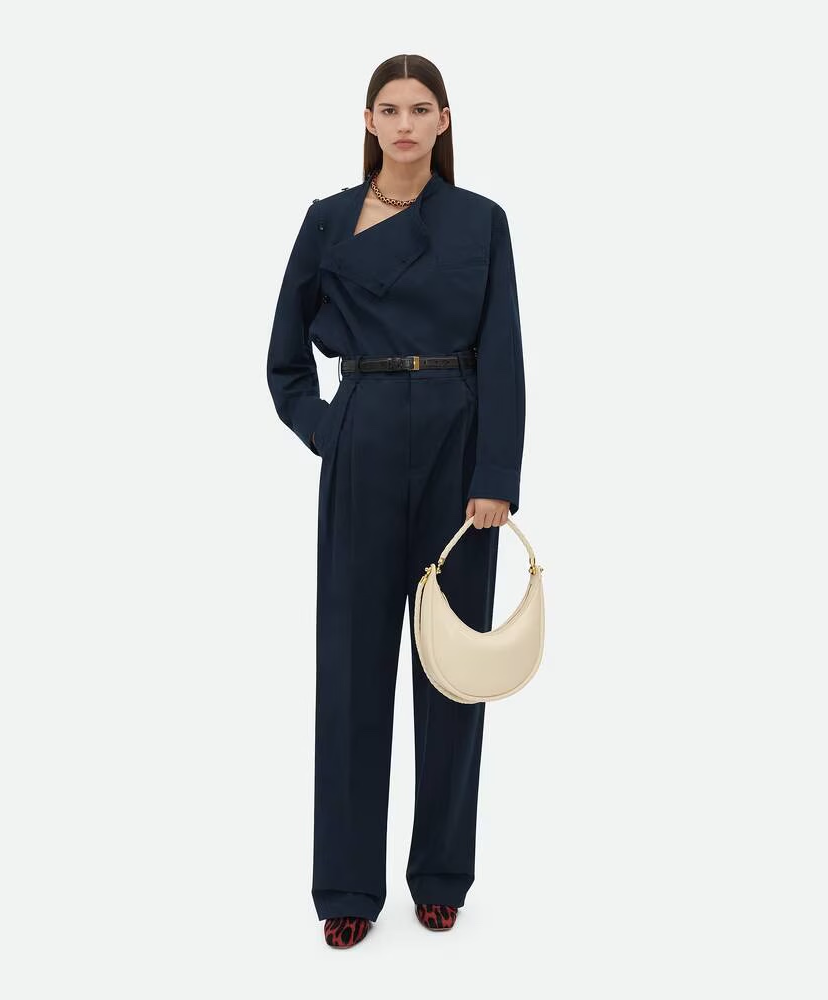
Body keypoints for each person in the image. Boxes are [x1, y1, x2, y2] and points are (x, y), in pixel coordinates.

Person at [266, 53, 526, 949]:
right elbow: (284, 358)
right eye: (390, 108)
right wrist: (328, 430)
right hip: (364, 436)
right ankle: (346, 886)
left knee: (453, 668)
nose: (405, 124)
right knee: (350, 668)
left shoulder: (480, 221)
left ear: (443, 121)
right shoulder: (327, 219)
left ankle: (442, 875)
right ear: (368, 120)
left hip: (459, 446)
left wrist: (495, 476)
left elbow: (504, 351)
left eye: (421, 108)